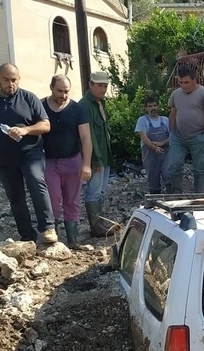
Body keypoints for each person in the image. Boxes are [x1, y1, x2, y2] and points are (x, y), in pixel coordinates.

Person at [0, 63, 57, 244]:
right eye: (6, 80)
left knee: (36, 182)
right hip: (3, 157)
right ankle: (27, 234)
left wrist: (26, 130)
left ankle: (48, 228)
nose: (11, 84)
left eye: (14, 80)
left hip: (30, 153)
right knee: (15, 196)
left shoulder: (29, 98)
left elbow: (46, 125)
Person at [41, 74, 91, 248]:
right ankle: (52, 239)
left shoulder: (77, 110)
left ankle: (72, 241)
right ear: (51, 87)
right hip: (49, 161)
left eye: (66, 92)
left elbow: (86, 138)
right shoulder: (40, 107)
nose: (63, 95)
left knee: (72, 200)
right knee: (52, 199)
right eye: (59, 91)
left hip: (73, 161)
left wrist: (86, 164)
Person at [168, 65, 204, 194]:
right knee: (174, 165)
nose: (183, 85)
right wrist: (171, 133)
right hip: (178, 137)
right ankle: (177, 194)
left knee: (199, 168)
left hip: (198, 136)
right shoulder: (175, 94)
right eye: (180, 82)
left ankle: (199, 195)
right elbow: (172, 113)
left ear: (194, 80)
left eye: (186, 82)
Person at [78, 70, 113, 237]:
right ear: (90, 85)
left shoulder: (101, 102)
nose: (103, 89)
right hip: (95, 156)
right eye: (100, 85)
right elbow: (88, 135)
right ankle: (96, 227)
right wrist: (95, 160)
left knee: (101, 190)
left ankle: (99, 222)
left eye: (105, 86)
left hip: (104, 154)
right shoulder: (84, 105)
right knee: (94, 191)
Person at [135, 96, 171, 194]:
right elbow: (144, 137)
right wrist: (154, 147)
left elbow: (172, 136)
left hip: (165, 153)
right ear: (146, 108)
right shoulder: (142, 120)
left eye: (155, 105)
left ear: (158, 106)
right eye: (150, 106)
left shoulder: (165, 120)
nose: (153, 108)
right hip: (150, 154)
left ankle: (172, 201)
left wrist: (162, 143)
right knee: (153, 180)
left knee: (169, 176)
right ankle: (154, 204)